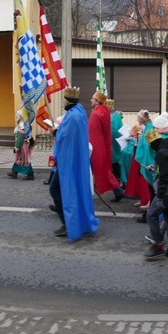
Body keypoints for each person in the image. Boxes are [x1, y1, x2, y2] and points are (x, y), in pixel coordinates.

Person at [49, 87, 99, 240]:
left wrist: (55, 132)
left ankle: (68, 222)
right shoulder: (79, 111)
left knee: (56, 189)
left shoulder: (72, 117)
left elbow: (65, 138)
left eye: (64, 99)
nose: (63, 101)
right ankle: (67, 215)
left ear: (68, 101)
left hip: (69, 162)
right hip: (74, 159)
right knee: (68, 190)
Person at [143, 128, 168, 260]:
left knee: (151, 214)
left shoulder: (161, 153)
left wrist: (159, 196)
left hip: (165, 192)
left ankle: (158, 245)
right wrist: (155, 169)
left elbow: (165, 177)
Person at [88, 91, 124, 201]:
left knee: (101, 170)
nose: (91, 100)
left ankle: (117, 190)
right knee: (102, 170)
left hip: (96, 146)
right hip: (99, 146)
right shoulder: (101, 112)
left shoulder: (97, 113)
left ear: (98, 101)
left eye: (93, 99)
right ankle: (117, 190)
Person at [7, 109, 35, 180]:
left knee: (24, 159)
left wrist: (16, 147)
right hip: (24, 144)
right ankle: (14, 172)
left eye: (17, 116)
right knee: (18, 158)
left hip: (23, 145)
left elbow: (20, 136)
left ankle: (30, 174)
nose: (17, 117)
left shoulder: (22, 125)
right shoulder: (25, 123)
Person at [106, 99, 124, 182]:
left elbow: (113, 130)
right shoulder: (116, 116)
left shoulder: (112, 117)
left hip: (113, 141)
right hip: (115, 141)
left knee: (114, 160)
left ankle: (117, 177)